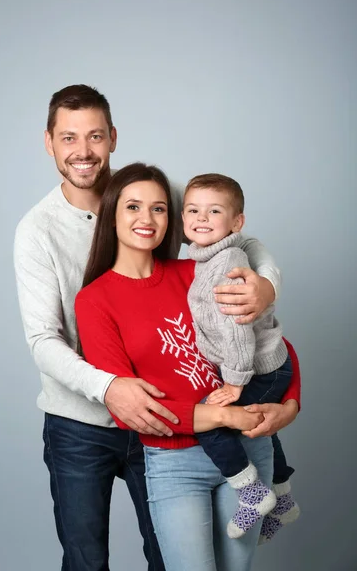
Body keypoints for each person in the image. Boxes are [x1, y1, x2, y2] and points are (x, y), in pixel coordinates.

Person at [14, 84, 299, 571]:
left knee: (169, 558)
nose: (83, 151)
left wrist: (267, 287)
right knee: (86, 558)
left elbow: (240, 247)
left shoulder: (182, 260)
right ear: (49, 142)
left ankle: (276, 490)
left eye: (95, 136)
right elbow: (44, 340)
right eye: (68, 138)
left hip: (184, 433)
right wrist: (111, 388)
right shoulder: (42, 234)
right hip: (84, 424)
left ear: (112, 138)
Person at [75, 163, 301, 571]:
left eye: (159, 209)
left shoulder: (200, 272)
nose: (146, 219)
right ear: (111, 214)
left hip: (249, 444)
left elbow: (271, 342)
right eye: (133, 207)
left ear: (171, 219)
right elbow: (131, 409)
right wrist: (221, 414)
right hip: (176, 463)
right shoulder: (95, 300)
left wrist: (290, 407)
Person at [182, 173, 300, 542]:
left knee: (212, 421)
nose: (201, 218)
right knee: (260, 425)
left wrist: (234, 381)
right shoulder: (209, 255)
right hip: (272, 364)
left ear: (237, 222)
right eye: (193, 210)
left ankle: (252, 494)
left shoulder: (228, 262)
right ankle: (283, 498)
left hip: (261, 370)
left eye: (213, 211)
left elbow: (235, 328)